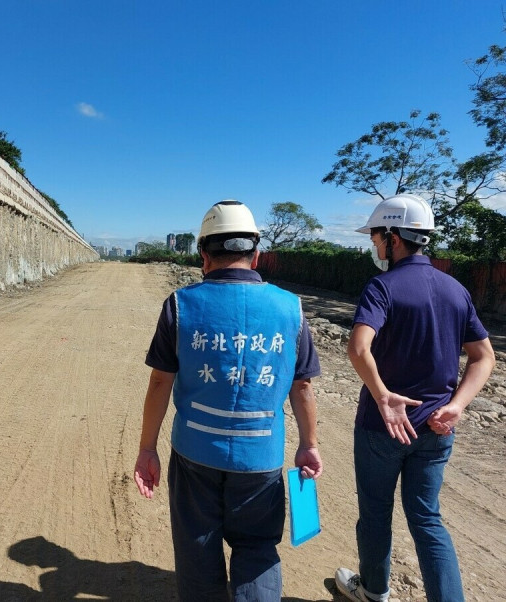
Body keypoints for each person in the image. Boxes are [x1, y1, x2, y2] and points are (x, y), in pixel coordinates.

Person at [134, 200, 323, 601]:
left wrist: (146, 448)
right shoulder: (292, 309)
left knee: (197, 552)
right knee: (256, 551)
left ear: (203, 254)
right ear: (256, 255)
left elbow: (159, 383)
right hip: (261, 459)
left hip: (194, 454)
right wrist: (309, 445)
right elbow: (302, 386)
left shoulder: (180, 305)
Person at [335, 194, 496, 602]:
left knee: (375, 513)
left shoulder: (382, 286)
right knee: (427, 518)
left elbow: (358, 348)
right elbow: (483, 357)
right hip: (437, 428)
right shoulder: (455, 289)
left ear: (393, 237)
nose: (373, 244)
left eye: (375, 236)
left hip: (382, 428)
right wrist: (457, 405)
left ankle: (373, 592)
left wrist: (383, 396)